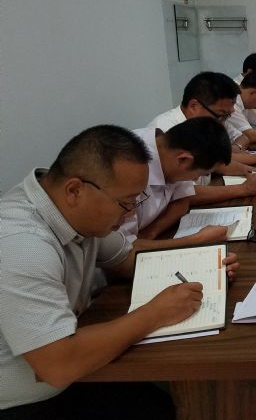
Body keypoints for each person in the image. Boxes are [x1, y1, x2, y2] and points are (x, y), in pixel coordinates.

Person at [0, 125, 240, 419]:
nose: (130, 214)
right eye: (126, 202)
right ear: (75, 190)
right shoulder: (21, 245)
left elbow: (128, 257)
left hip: (74, 371)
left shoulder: (74, 211)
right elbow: (57, 365)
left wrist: (203, 262)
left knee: (164, 403)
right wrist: (155, 313)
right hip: (27, 399)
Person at [121, 117, 256, 247]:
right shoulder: (128, 170)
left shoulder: (170, 152)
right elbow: (124, 251)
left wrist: (151, 233)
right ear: (183, 159)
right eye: (200, 174)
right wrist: (197, 239)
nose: (195, 180)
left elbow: (183, 198)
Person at [148, 71, 256, 168]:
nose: (223, 122)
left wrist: (237, 154)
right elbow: (186, 193)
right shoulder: (166, 131)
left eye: (227, 115)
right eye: (222, 114)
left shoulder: (212, 120)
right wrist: (254, 162)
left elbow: (240, 141)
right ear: (194, 106)